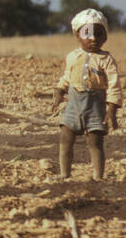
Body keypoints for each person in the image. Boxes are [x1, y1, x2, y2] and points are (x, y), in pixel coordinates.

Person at [52, 9, 122, 180]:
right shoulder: (72, 56)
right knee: (65, 138)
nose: (93, 39)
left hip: (95, 105)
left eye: (99, 34)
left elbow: (114, 86)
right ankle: (64, 174)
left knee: (95, 142)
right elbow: (67, 77)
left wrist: (111, 110)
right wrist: (59, 92)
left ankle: (98, 177)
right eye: (87, 34)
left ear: (105, 37)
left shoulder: (106, 60)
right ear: (77, 35)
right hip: (74, 104)